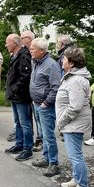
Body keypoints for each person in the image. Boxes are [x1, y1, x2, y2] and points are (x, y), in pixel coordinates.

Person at [56, 47, 92, 187]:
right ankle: (77, 179)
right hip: (72, 123)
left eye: (64, 59)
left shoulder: (76, 80)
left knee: (75, 155)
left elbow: (75, 107)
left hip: (73, 123)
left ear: (71, 63)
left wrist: (62, 121)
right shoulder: (72, 77)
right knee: (74, 154)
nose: (62, 61)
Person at [29, 38, 62, 177]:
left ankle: (53, 163)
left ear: (41, 51)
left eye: (32, 48)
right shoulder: (36, 62)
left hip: (45, 106)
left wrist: (46, 103)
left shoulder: (51, 65)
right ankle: (46, 158)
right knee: (43, 134)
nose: (30, 50)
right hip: (37, 103)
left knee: (48, 135)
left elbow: (56, 87)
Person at [4, 34, 34, 162]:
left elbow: (25, 75)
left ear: (15, 43)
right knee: (18, 122)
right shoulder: (15, 55)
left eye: (7, 42)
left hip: (21, 95)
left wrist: (16, 89)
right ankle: (19, 144)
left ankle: (27, 149)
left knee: (24, 122)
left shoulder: (24, 55)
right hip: (14, 95)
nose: (6, 45)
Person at [21, 30, 42, 150]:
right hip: (30, 91)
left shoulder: (36, 54)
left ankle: (40, 140)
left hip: (38, 94)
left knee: (38, 118)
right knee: (32, 117)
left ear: (28, 38)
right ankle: (35, 138)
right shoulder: (26, 53)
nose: (21, 39)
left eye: (22, 37)